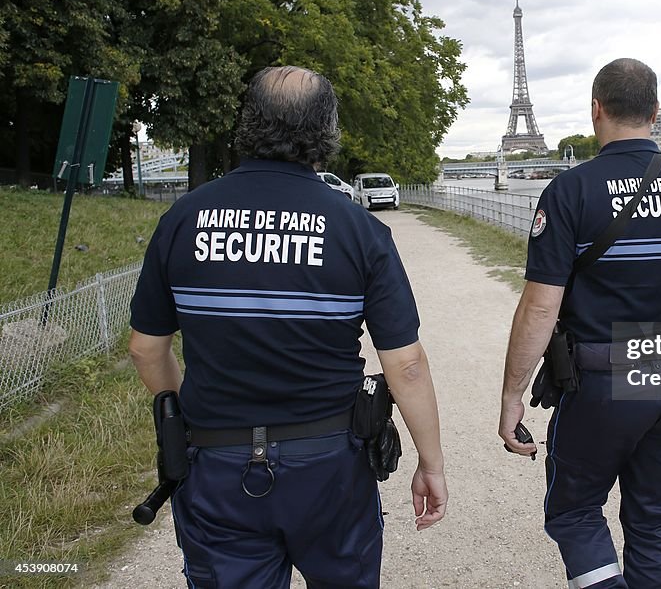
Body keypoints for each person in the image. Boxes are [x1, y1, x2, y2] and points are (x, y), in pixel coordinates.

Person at [128, 66, 446, 588]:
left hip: (217, 464)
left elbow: (145, 349)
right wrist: (430, 462)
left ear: (247, 122)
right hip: (330, 466)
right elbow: (405, 365)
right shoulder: (359, 229)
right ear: (327, 131)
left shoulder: (182, 220)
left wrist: (186, 418)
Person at [499, 58, 661, 588]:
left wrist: (512, 394)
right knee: (655, 519)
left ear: (596, 110)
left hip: (603, 379)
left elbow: (541, 306)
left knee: (574, 511)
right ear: (655, 113)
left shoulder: (569, 192)